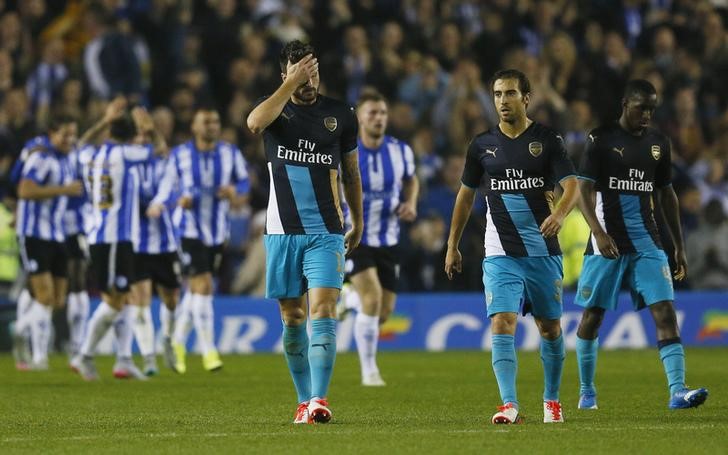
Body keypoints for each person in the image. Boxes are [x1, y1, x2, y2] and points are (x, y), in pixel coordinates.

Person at [445, 69, 578, 425]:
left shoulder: (548, 140)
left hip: (542, 252)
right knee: (502, 323)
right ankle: (509, 404)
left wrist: (561, 214)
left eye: (510, 94)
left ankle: (551, 400)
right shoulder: (481, 145)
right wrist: (452, 245)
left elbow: (572, 185)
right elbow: (465, 196)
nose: (503, 101)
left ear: (526, 98)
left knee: (550, 329)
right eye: (497, 94)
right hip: (500, 252)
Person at [246, 40, 363, 424]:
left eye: (312, 72)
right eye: (299, 74)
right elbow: (253, 124)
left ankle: (319, 398)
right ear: (285, 75)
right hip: (281, 232)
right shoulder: (274, 109)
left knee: (325, 309)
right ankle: (302, 399)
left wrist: (358, 219)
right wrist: (288, 85)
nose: (308, 81)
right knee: (293, 316)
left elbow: (351, 171)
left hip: (326, 231)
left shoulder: (341, 114)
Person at [574, 79, 708, 410]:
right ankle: (587, 390)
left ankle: (677, 391)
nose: (646, 114)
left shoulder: (659, 144)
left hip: (648, 242)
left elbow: (666, 194)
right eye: (641, 108)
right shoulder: (600, 140)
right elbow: (583, 190)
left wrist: (678, 245)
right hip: (607, 242)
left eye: (651, 108)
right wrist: (598, 233)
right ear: (625, 104)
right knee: (592, 316)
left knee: (664, 311)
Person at [147, 107, 249, 374]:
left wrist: (234, 191)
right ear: (194, 126)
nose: (212, 126)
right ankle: (208, 350)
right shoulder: (179, 156)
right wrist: (170, 203)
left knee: (197, 292)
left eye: (215, 121)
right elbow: (167, 189)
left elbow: (245, 183)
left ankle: (177, 343)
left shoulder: (230, 153)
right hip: (188, 230)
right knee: (203, 286)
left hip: (217, 232)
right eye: (206, 121)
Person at [71, 105, 167, 381]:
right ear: (129, 136)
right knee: (115, 301)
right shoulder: (125, 154)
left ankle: (122, 360)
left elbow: (81, 143)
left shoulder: (91, 154)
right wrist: (149, 129)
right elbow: (159, 150)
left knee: (123, 299)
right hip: (115, 238)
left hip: (104, 236)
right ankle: (84, 355)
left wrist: (104, 119)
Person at [337, 90, 418, 386]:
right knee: (372, 300)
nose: (378, 118)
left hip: (389, 239)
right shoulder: (346, 152)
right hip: (355, 236)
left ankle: (349, 298)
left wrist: (411, 203)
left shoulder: (400, 151)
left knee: (382, 312)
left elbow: (411, 180)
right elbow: (333, 183)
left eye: (382, 113)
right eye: (372, 113)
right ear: (359, 118)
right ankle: (369, 371)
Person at [13, 115, 83, 370]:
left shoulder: (67, 160)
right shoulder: (41, 158)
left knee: (57, 300)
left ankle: (20, 329)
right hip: (33, 234)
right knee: (43, 296)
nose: (70, 139)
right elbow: (25, 190)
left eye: (72, 134)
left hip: (57, 234)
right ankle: (40, 357)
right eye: (65, 134)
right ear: (52, 134)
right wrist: (62, 190)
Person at [129, 127, 183, 376]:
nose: (142, 142)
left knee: (171, 300)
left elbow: (168, 188)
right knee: (140, 302)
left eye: (146, 139)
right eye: (138, 138)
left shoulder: (165, 164)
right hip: (136, 245)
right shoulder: (127, 167)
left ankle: (168, 340)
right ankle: (149, 357)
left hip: (164, 244)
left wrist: (158, 203)